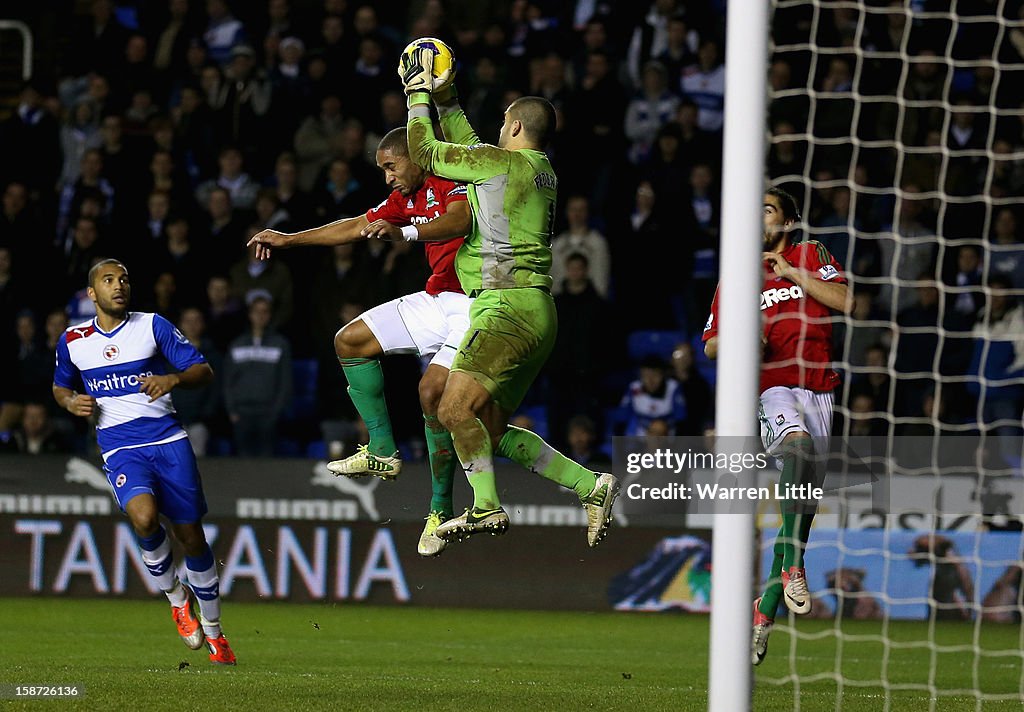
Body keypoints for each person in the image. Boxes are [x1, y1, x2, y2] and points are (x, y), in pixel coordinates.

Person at [399, 44, 620, 547]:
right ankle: (591, 485)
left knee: (452, 409)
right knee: (488, 432)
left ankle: (486, 507)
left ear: (516, 128)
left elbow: (427, 153)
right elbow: (476, 149)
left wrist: (417, 95)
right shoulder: (536, 171)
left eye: (503, 124)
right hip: (536, 311)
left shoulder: (502, 166)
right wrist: (449, 98)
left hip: (506, 308)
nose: (498, 131)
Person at [248, 127, 472, 557]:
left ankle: (440, 510)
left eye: (391, 166)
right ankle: (382, 451)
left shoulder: (450, 176)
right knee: (349, 340)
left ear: (416, 156)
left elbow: (461, 219)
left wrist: (404, 235)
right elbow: (356, 225)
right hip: (437, 296)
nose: (387, 177)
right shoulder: (404, 197)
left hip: (475, 302)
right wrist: (289, 239)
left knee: (432, 393)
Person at [51, 259, 235, 665]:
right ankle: (176, 598)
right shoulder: (73, 339)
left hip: (168, 441)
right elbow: (60, 386)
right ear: (92, 294)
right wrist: (70, 401)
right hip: (119, 447)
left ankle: (216, 631)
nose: (119, 286)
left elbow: (202, 371)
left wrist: (174, 379)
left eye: (124, 279)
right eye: (109, 280)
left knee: (192, 539)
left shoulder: (153, 325)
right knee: (145, 518)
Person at [701, 187, 850, 665]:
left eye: (767, 209)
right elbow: (710, 347)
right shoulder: (738, 279)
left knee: (802, 510)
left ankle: (763, 612)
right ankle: (795, 571)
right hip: (771, 387)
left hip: (821, 387)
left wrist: (793, 274)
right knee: (799, 450)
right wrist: (743, 337)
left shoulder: (811, 254)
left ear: (786, 222)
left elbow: (844, 301)